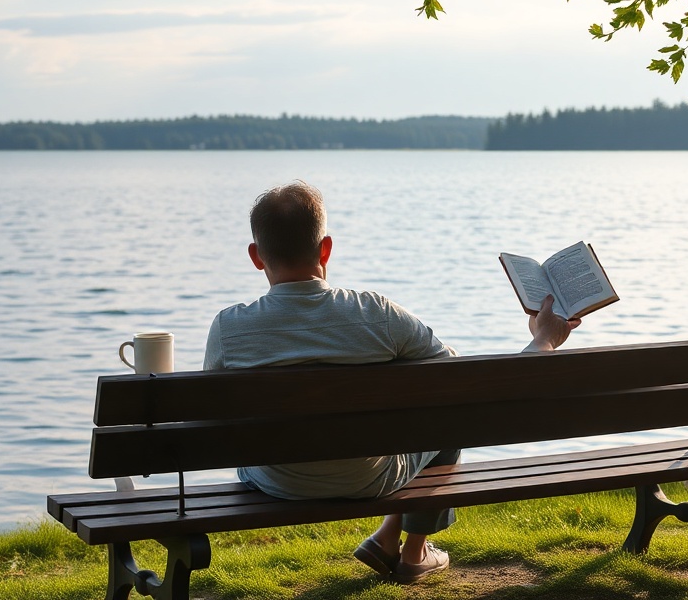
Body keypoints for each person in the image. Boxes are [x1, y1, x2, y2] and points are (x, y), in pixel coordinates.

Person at [203, 181, 579, 583]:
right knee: (447, 417)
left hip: (274, 481)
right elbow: (463, 381)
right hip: (369, 478)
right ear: (325, 248)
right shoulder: (377, 314)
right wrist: (543, 339)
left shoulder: (230, 328)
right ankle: (413, 552)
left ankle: (388, 539)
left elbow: (208, 418)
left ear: (256, 257)